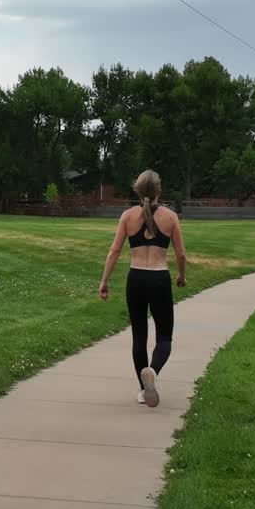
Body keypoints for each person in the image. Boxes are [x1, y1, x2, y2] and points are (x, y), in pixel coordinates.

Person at [97, 170, 186, 407]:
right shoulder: (170, 217)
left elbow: (114, 250)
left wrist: (104, 281)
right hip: (159, 279)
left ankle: (142, 389)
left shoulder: (127, 216)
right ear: (159, 191)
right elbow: (181, 253)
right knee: (164, 337)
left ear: (137, 190)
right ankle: (153, 373)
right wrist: (181, 276)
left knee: (139, 336)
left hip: (135, 279)